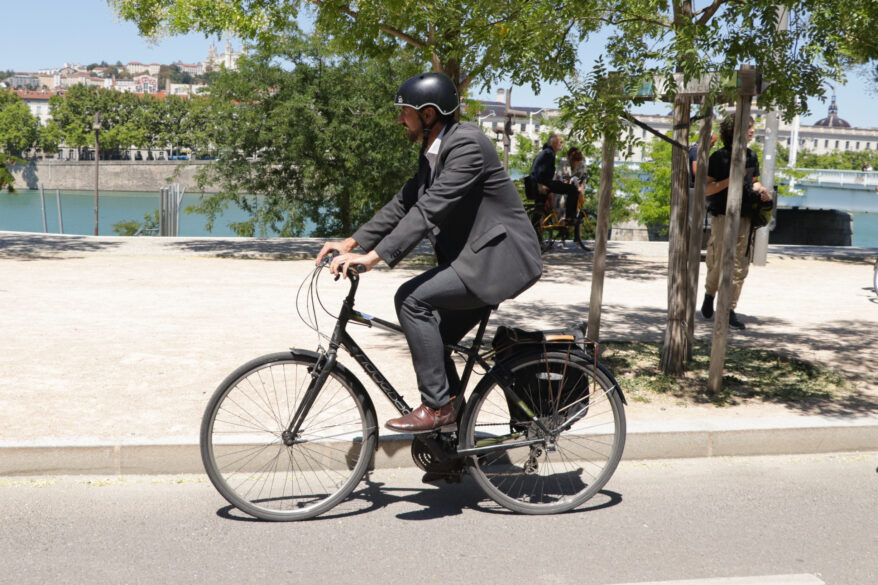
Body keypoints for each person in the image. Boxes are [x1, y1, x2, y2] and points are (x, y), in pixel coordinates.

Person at [315, 72, 543, 433]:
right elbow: (405, 202)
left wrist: (375, 258)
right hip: (474, 260)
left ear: (428, 113)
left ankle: (438, 408)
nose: (399, 119)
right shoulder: (434, 151)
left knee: (410, 300)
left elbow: (431, 208)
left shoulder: (467, 144)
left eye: (404, 111)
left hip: (499, 261)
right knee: (434, 338)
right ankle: (454, 437)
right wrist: (350, 243)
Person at [701, 114, 771, 330]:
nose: (752, 131)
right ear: (734, 130)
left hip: (745, 217)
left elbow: (754, 182)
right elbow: (707, 189)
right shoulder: (718, 157)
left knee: (740, 266)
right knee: (718, 261)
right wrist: (730, 181)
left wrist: (762, 191)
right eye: (748, 127)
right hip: (722, 216)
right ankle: (709, 294)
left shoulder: (751, 156)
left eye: (752, 127)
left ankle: (730, 309)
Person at [530, 133, 581, 224]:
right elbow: (537, 170)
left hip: (538, 183)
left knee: (540, 209)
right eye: (560, 142)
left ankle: (536, 232)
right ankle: (570, 218)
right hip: (544, 183)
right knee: (573, 190)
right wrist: (541, 185)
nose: (562, 144)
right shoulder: (549, 153)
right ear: (554, 143)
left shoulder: (546, 152)